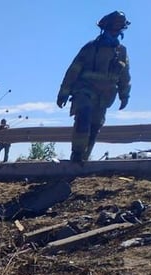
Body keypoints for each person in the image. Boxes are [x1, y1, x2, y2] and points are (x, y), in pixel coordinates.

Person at [57, 10, 132, 163]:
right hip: (84, 91)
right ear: (105, 27)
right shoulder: (90, 48)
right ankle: (77, 155)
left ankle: (83, 161)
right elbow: (73, 70)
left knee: (95, 126)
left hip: (104, 97)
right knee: (83, 117)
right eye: (113, 27)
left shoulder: (122, 52)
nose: (115, 31)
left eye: (119, 28)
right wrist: (63, 93)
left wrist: (124, 95)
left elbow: (124, 76)